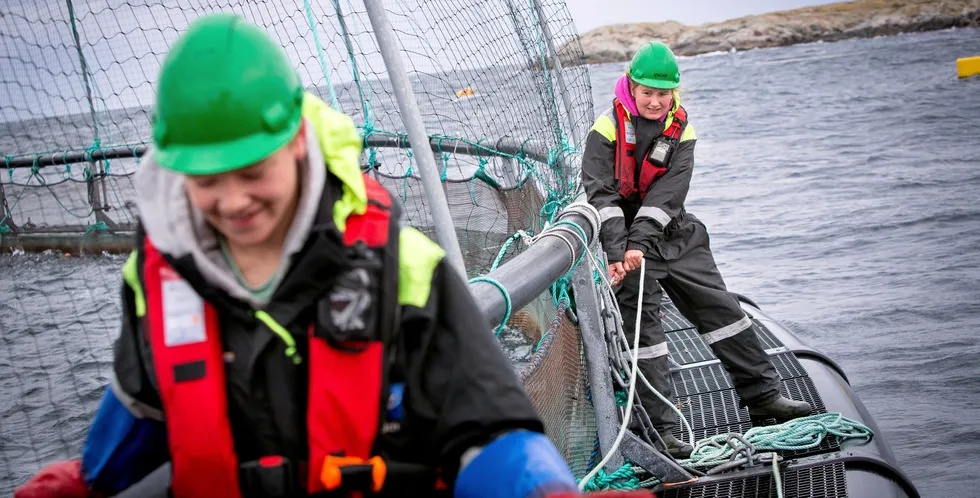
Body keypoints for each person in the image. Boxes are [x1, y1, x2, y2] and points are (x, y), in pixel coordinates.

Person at [14, 13, 591, 498]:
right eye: (206, 180)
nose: (232, 200)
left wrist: (535, 482)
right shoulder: (154, 282)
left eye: (252, 171)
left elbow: (488, 431)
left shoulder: (405, 270)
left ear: (294, 142)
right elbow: (135, 423)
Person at [581, 41, 812, 459]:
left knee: (724, 313)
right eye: (646, 91)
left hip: (677, 234)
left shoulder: (682, 130)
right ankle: (661, 431)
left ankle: (763, 397)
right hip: (627, 242)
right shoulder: (606, 130)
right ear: (631, 88)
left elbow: (668, 195)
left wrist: (640, 244)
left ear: (675, 93)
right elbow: (601, 194)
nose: (654, 100)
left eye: (663, 92)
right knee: (643, 337)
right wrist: (621, 252)